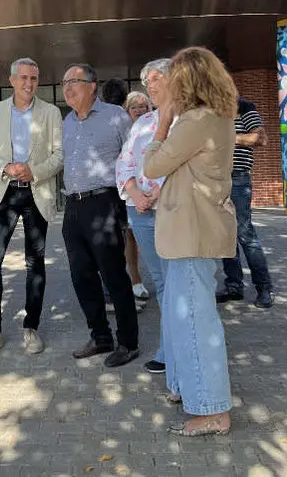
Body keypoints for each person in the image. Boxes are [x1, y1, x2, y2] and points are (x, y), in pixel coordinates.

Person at [143, 46, 238, 437]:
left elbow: (151, 166)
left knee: (195, 322)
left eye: (173, 80)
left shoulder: (195, 121)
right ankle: (189, 387)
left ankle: (213, 411)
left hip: (191, 234)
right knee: (184, 319)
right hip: (193, 232)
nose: (167, 88)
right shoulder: (216, 117)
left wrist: (163, 122)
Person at [0, 57, 64, 356]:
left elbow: (60, 155)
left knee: (35, 262)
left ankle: (31, 328)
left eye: (34, 78)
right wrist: (5, 166)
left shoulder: (51, 113)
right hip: (5, 193)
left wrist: (33, 171)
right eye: (23, 77)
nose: (29, 83)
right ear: (12, 80)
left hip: (36, 191)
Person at [60, 63, 139, 368]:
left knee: (113, 274)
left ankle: (128, 342)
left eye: (74, 81)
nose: (68, 88)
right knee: (81, 276)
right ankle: (100, 336)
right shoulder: (68, 121)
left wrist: (130, 202)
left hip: (104, 203)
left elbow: (134, 158)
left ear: (92, 86)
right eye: (64, 83)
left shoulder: (116, 116)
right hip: (73, 206)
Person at [116, 61, 171, 376]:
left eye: (156, 78)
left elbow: (187, 163)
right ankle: (168, 350)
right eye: (146, 80)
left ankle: (182, 351)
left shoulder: (187, 120)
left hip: (174, 211)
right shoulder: (142, 124)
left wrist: (160, 192)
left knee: (179, 283)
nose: (150, 85)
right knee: (162, 282)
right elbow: (124, 163)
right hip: (140, 211)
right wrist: (137, 194)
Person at [216, 97, 275, 308]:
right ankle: (234, 286)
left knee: (244, 233)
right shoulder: (211, 112)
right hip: (214, 180)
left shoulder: (244, 108)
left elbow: (260, 139)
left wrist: (228, 137)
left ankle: (264, 288)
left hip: (237, 179)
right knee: (225, 236)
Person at [101, 77, 149, 306]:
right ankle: (121, 288)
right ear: (125, 108)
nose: (139, 110)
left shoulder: (151, 128)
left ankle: (130, 284)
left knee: (130, 237)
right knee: (122, 238)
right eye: (134, 107)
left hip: (142, 191)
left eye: (143, 106)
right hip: (122, 191)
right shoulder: (121, 125)